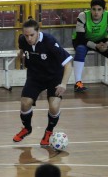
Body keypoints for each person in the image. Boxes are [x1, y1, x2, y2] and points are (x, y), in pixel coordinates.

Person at [13, 17, 73, 146]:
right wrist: (21, 56)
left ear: (38, 31)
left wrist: (63, 84)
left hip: (54, 77)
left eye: (32, 35)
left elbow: (68, 64)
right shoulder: (23, 40)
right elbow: (22, 50)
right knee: (25, 103)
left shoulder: (50, 42)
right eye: (26, 35)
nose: (29, 38)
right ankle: (27, 128)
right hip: (35, 76)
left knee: (54, 106)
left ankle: (49, 131)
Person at [72, 0, 108, 92]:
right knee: (80, 50)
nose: (96, 12)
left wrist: (106, 45)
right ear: (90, 9)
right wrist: (96, 46)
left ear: (104, 10)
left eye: (99, 9)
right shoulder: (82, 16)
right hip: (82, 40)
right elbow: (80, 38)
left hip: (101, 40)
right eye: (94, 9)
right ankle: (78, 83)